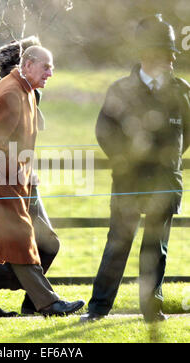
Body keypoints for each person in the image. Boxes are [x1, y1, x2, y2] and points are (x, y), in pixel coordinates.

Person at [0, 45, 85, 318]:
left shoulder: (26, 92)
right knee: (22, 237)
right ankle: (48, 303)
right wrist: (18, 171)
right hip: (0, 181)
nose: (51, 72)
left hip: (4, 178)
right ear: (29, 64)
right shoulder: (11, 93)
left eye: (51, 67)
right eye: (46, 66)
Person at [80, 14, 190, 323]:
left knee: (156, 249)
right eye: (165, 53)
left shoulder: (182, 92)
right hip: (129, 182)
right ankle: (98, 308)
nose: (172, 59)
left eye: (172, 53)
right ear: (147, 54)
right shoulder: (120, 90)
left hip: (166, 182)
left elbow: (187, 136)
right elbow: (104, 132)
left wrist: (166, 162)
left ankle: (150, 309)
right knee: (118, 244)